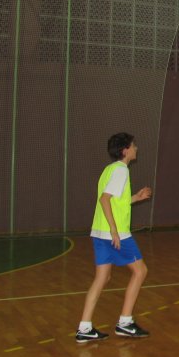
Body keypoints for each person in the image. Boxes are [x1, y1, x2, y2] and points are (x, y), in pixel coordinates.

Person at [76, 133, 152, 343]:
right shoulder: (121, 170)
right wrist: (114, 230)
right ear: (125, 150)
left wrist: (136, 197)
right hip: (115, 233)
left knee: (102, 278)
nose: (136, 148)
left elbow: (116, 200)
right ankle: (125, 322)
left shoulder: (109, 170)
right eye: (133, 145)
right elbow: (105, 199)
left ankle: (84, 327)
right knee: (140, 271)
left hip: (99, 231)